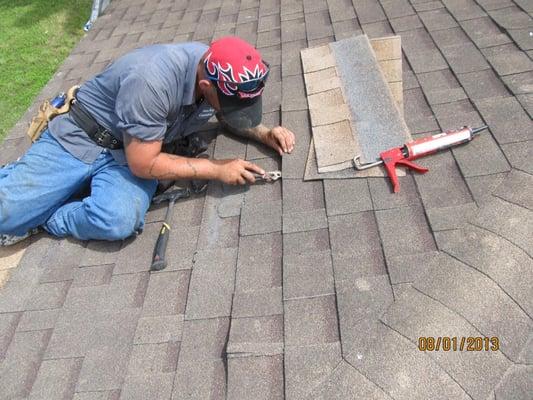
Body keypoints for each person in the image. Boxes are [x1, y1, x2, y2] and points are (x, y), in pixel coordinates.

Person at [0, 36, 295, 245]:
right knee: (7, 215)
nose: (233, 111)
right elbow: (143, 164)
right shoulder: (151, 81)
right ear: (206, 86)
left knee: (117, 221)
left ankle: (43, 217)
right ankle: (23, 188)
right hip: (81, 139)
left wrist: (263, 132)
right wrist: (217, 169)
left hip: (128, 155)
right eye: (231, 104)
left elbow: (223, 112)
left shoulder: (216, 73)